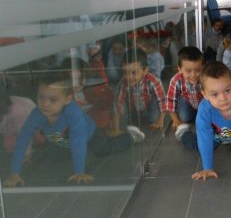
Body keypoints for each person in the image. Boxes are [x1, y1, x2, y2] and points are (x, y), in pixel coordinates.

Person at [4, 70, 134, 187]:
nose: (45, 104)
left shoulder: (74, 114)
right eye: (41, 97)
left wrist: (79, 172)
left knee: (103, 150)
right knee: (55, 157)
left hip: (89, 135)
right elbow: (23, 139)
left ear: (68, 99)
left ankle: (130, 137)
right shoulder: (37, 114)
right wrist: (14, 173)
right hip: (63, 139)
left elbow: (78, 142)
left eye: (53, 100)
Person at [108, 49, 166, 137]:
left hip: (149, 106)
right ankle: (129, 122)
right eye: (125, 72)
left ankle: (150, 117)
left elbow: (163, 101)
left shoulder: (154, 81)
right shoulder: (123, 84)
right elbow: (118, 106)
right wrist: (116, 129)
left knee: (153, 119)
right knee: (121, 121)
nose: (129, 77)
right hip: (133, 108)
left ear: (145, 70)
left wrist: (160, 120)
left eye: (134, 73)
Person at [62, 57, 115, 129]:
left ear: (86, 76)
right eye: (71, 79)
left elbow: (108, 106)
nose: (76, 83)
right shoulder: (62, 96)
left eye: (79, 78)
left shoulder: (94, 89)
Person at [166, 46, 204, 137]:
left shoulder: (206, 77)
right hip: (188, 104)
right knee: (184, 117)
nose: (193, 75)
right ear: (179, 69)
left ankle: (200, 116)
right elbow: (170, 102)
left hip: (203, 105)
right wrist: (176, 121)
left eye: (198, 70)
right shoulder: (176, 80)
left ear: (203, 67)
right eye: (188, 71)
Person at [0, 87, 39, 156]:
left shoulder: (17, 110)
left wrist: (26, 155)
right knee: (8, 145)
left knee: (40, 137)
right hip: (14, 127)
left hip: (35, 124)